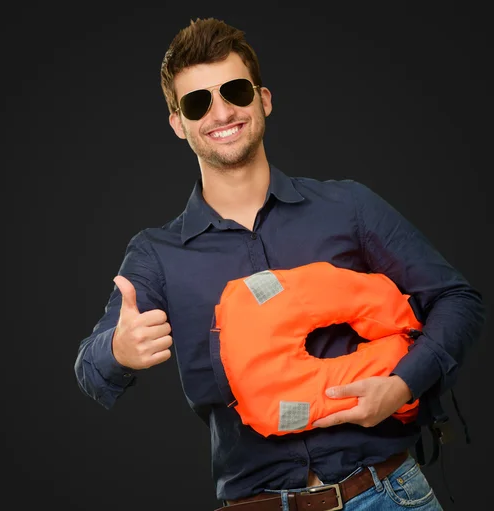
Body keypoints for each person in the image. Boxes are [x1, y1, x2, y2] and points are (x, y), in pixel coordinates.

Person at [74, 17, 485, 511]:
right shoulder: (156, 255)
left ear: (263, 100)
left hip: (386, 492)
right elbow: (90, 367)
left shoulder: (348, 207)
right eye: (197, 102)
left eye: (235, 91)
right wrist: (118, 350)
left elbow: (457, 299)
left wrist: (403, 385)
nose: (221, 111)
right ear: (178, 124)